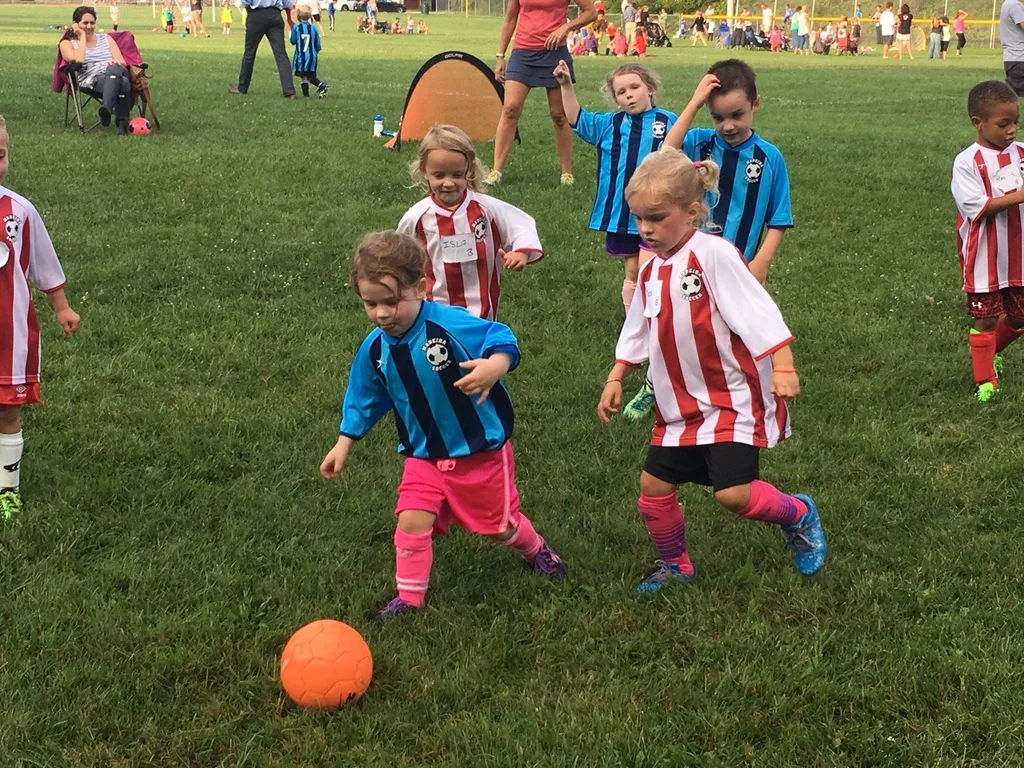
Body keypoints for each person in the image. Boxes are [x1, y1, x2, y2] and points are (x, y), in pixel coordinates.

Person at [596, 149, 826, 591]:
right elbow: (637, 326)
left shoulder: (715, 255)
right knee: (653, 488)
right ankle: (676, 566)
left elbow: (756, 310)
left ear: (691, 212)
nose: (645, 229)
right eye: (638, 218)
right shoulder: (650, 271)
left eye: (656, 218)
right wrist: (617, 374)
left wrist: (783, 364)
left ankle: (799, 514)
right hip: (678, 408)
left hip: (730, 400)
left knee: (734, 495)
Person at [320, 231, 567, 623]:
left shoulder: (448, 325)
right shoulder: (376, 347)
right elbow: (365, 394)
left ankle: (535, 549)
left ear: (420, 288)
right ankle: (410, 598)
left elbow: (500, 337)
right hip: (424, 454)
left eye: (391, 301)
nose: (381, 314)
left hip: (478, 450)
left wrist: (494, 366)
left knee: (501, 527)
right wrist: (344, 441)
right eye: (370, 303)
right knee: (411, 519)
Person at [623, 61, 793, 420]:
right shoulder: (700, 142)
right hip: (688, 262)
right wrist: (694, 103)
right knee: (676, 325)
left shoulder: (769, 158)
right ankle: (655, 383)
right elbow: (661, 158)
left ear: (755, 104)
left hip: (738, 265)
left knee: (733, 327)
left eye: (737, 115)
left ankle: (740, 386)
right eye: (718, 117)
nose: (727, 125)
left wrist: (761, 262)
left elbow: (778, 218)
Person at [0, 116, 82, 522]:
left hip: (10, 336)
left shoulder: (20, 210)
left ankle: (7, 491)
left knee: (8, 412)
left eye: (0, 155)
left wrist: (62, 306)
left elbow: (43, 263)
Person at [557, 61, 675, 311]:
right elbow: (576, 118)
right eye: (621, 92)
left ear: (650, 88)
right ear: (616, 100)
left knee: (653, 264)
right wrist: (566, 85)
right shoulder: (609, 124)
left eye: (634, 87)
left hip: (657, 209)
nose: (629, 94)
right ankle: (633, 319)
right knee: (632, 268)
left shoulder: (667, 121)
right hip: (622, 211)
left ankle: (656, 315)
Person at [397, 126, 542, 321]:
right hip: (434, 309)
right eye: (439, 175)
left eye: (457, 175)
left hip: (482, 312)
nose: (449, 183)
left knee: (479, 339)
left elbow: (521, 225)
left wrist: (521, 252)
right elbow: (398, 252)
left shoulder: (486, 208)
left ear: (469, 170)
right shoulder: (417, 216)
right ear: (424, 171)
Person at [951, 81, 1024, 402]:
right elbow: (976, 207)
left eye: (1015, 122)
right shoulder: (967, 161)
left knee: (1020, 316)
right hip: (984, 255)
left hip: (1020, 254)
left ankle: (990, 353)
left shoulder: (1021, 153)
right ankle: (985, 381)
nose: (1012, 130)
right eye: (1003, 123)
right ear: (978, 123)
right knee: (986, 318)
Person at [487, 0, 598, 187]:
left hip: (555, 53)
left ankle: (566, 173)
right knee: (510, 109)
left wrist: (565, 27)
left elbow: (591, 12)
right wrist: (500, 56)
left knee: (559, 115)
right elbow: (510, 18)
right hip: (522, 53)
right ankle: (496, 171)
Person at [59, 6, 134, 135]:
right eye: (85, 23)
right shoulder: (67, 43)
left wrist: (113, 63)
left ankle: (107, 108)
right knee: (124, 83)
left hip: (114, 71)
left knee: (115, 67)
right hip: (91, 81)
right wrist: (82, 37)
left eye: (92, 23)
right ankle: (121, 125)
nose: (89, 26)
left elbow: (121, 62)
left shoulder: (106, 38)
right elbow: (78, 60)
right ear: (75, 24)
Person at [228, 0, 296, 99]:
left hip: (256, 15)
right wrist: (289, 17)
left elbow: (245, 2)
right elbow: (287, 4)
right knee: (281, 54)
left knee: (249, 53)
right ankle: (289, 90)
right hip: (275, 14)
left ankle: (242, 87)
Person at [290, 5, 326, 97]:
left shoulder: (296, 27)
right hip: (312, 56)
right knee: (310, 75)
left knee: (303, 76)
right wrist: (316, 51)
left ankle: (306, 95)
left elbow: (293, 41)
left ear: (298, 16)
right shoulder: (314, 28)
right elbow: (318, 45)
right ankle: (321, 85)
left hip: (301, 57)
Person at [1001, 0, 1024, 94]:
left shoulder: (1009, 4)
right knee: (1013, 97)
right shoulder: (1014, 4)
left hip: (1015, 57)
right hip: (1019, 58)